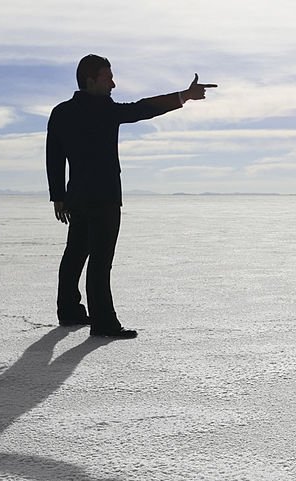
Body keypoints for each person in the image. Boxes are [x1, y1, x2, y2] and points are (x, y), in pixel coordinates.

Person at [47, 54, 217, 338]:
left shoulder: (62, 112)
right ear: (90, 80)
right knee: (100, 261)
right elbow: (143, 109)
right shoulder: (104, 110)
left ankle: (69, 311)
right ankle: (104, 323)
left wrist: (59, 196)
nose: (113, 84)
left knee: (75, 254)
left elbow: (54, 157)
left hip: (77, 197)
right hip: (104, 198)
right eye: (107, 77)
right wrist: (184, 96)